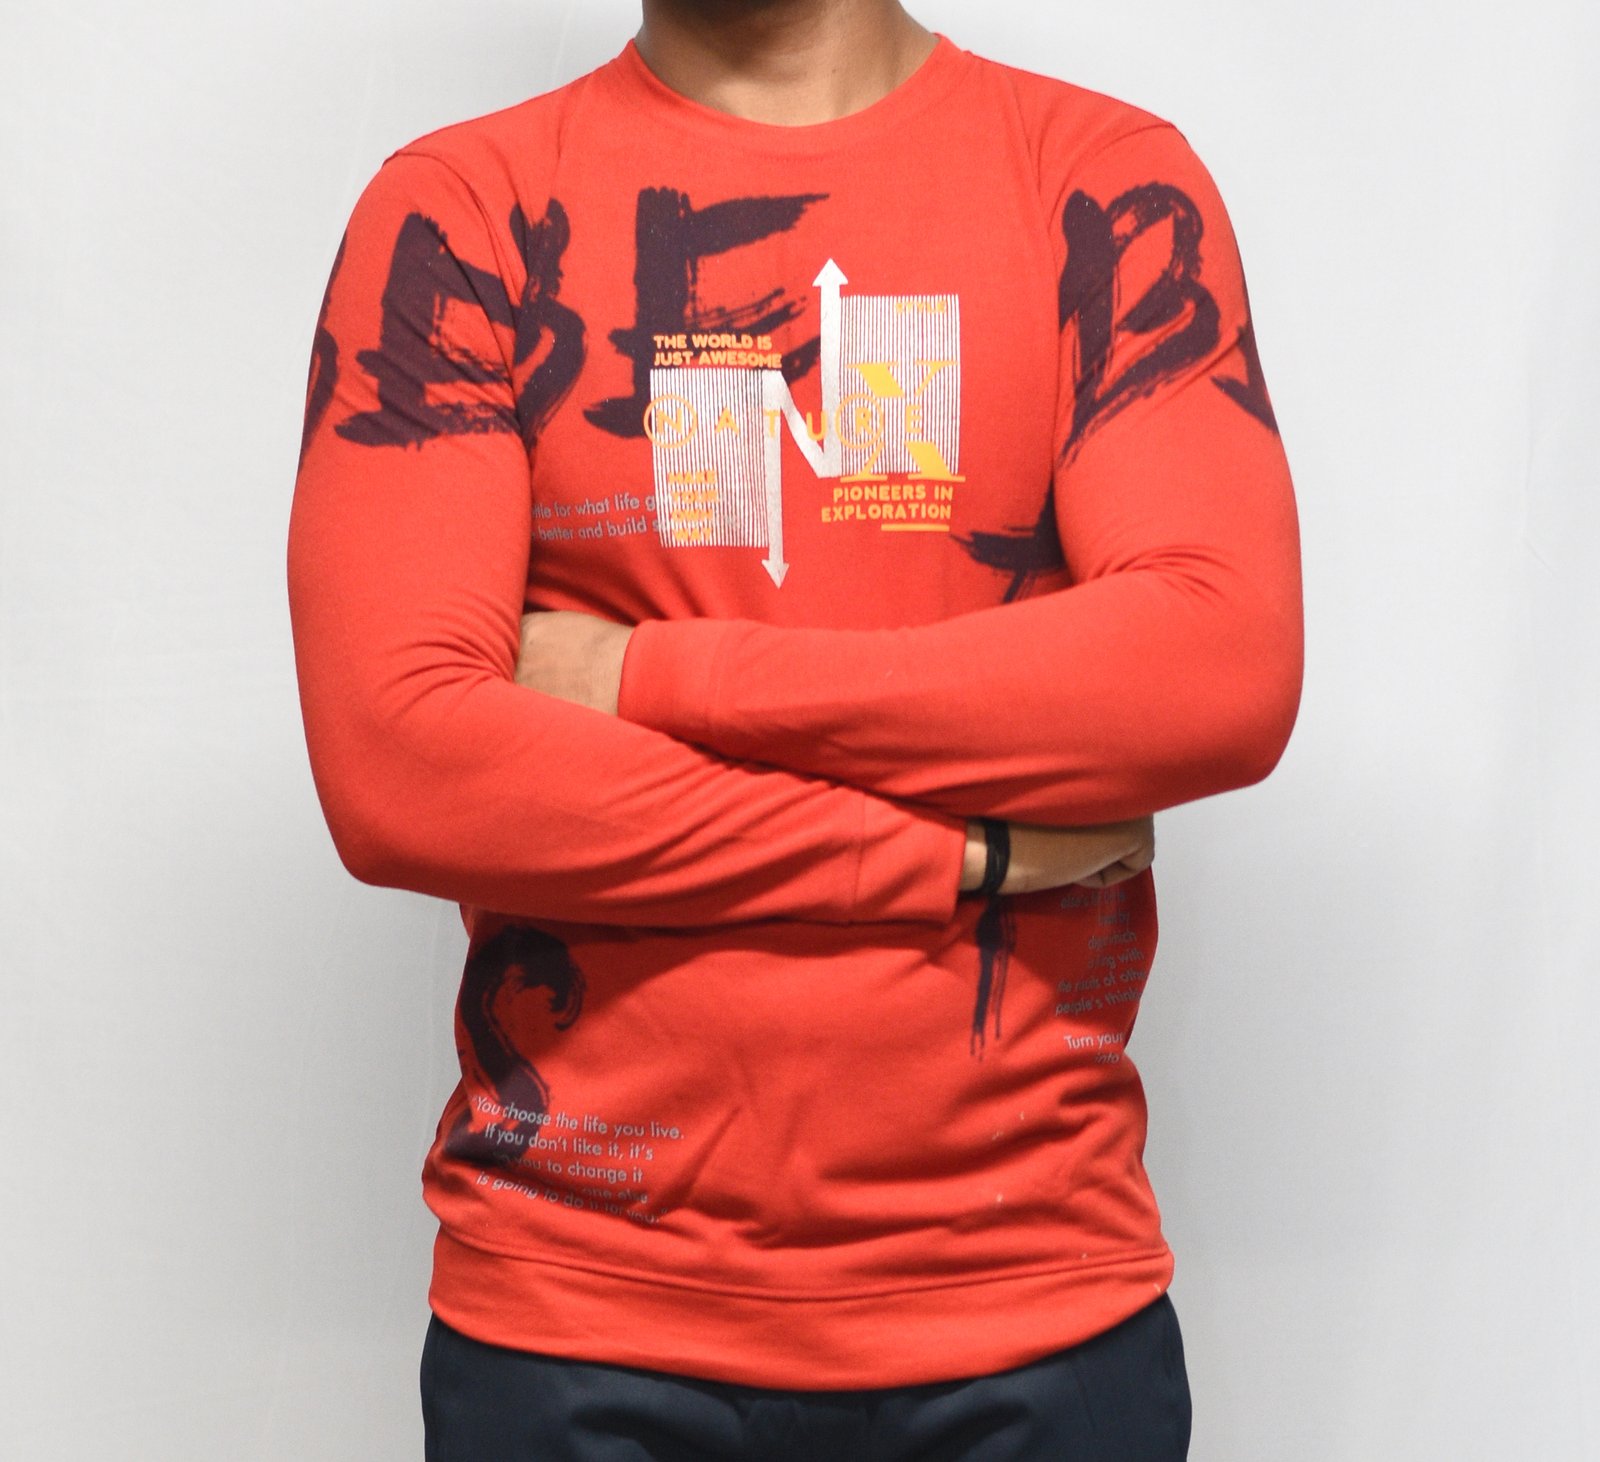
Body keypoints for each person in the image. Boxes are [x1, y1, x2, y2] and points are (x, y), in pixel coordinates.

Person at [287, 0, 1303, 1455]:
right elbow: (405, 770)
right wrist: (960, 855)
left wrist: (648, 677)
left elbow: (1217, 667)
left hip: (1033, 1298)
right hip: (577, 1317)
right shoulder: (464, 213)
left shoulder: (1100, 183)